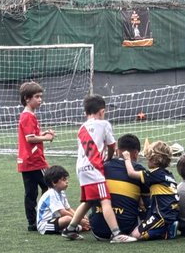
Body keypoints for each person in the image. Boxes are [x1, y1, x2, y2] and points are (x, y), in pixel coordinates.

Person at [61, 95, 120, 242]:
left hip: (81, 168)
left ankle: (70, 228)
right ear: (102, 111)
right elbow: (112, 145)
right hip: (94, 168)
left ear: (86, 112)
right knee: (105, 200)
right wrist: (109, 158)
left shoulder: (81, 128)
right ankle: (117, 234)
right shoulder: (104, 124)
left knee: (89, 200)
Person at [117, 140, 180, 242]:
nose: (147, 161)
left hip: (162, 215)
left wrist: (127, 159)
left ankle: (165, 231)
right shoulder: (168, 174)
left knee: (135, 235)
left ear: (154, 159)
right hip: (171, 212)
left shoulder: (154, 174)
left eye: (149, 159)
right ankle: (167, 226)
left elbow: (131, 173)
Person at [88, 133, 145, 241]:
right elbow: (145, 203)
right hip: (127, 230)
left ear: (117, 151)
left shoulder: (102, 166)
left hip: (98, 231)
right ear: (136, 153)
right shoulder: (138, 169)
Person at [17, 81, 55, 233]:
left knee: (31, 192)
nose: (40, 100)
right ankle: (44, 216)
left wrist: (42, 134)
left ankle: (32, 222)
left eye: (41, 97)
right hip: (35, 160)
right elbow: (30, 139)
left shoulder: (28, 115)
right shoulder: (28, 116)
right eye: (37, 97)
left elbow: (32, 135)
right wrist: (47, 138)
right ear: (27, 99)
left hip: (26, 161)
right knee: (51, 186)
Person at [36, 165, 88, 235]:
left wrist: (81, 217)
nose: (67, 181)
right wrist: (79, 220)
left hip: (57, 220)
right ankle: (77, 227)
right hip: (45, 225)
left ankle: (77, 227)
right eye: (64, 179)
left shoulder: (61, 192)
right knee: (68, 219)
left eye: (66, 179)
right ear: (54, 182)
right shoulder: (51, 194)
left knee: (80, 213)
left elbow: (68, 209)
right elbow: (62, 212)